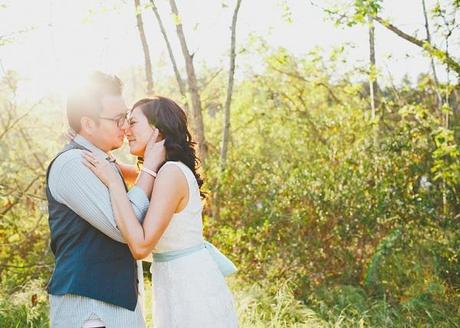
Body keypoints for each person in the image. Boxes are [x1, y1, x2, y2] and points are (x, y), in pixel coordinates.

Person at [82, 96, 239, 327]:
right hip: (175, 284)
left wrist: (114, 185)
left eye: (133, 122)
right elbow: (129, 172)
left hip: (190, 290)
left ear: (158, 131)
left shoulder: (170, 174)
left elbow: (141, 246)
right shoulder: (164, 171)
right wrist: (88, 143)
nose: (125, 129)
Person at [46, 72, 164, 328]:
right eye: (118, 118)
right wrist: (150, 167)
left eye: (127, 115)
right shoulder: (73, 164)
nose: (125, 125)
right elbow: (125, 228)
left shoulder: (102, 161)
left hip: (113, 311)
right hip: (92, 313)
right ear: (88, 124)